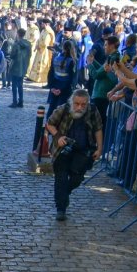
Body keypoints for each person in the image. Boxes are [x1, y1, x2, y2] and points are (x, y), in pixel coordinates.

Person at [45, 89, 103, 222]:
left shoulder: (92, 111)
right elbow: (49, 124)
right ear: (72, 101)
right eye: (77, 104)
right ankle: (61, 209)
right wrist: (58, 137)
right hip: (62, 150)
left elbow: (98, 129)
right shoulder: (63, 109)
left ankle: (64, 194)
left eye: (83, 104)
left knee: (77, 178)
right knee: (61, 179)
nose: (79, 107)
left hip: (83, 150)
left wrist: (99, 148)